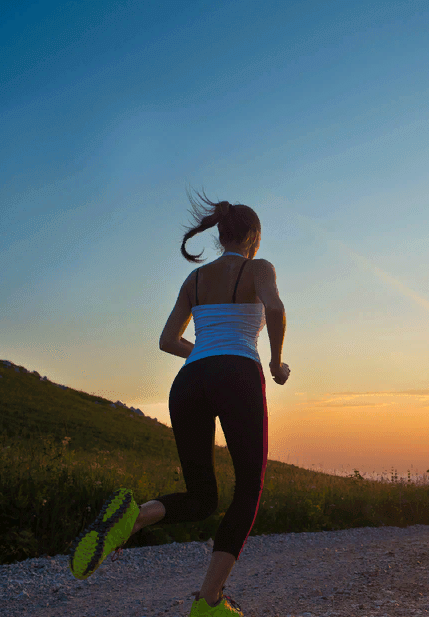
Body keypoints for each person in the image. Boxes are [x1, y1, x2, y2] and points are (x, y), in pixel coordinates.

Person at [69, 189, 290, 616]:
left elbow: (167, 341)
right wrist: (277, 363)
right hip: (238, 375)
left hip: (189, 381)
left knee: (202, 496)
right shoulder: (259, 267)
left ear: (221, 232)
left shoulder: (193, 280)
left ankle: (129, 521)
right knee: (248, 489)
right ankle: (209, 601)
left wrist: (206, 352)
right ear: (253, 238)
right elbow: (276, 309)